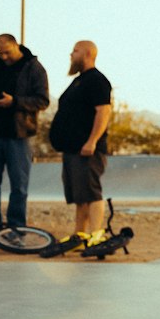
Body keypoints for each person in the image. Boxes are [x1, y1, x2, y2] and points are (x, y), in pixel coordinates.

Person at [0, 33, 50, 233]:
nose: (4, 57)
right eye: (0, 53)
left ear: (16, 46)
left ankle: (16, 227)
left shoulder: (34, 68)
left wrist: (14, 102)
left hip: (19, 136)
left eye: (7, 52)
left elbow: (42, 100)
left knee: (19, 185)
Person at [41, 40, 113, 255]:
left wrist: (92, 141)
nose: (71, 54)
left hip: (87, 149)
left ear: (88, 53)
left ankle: (96, 234)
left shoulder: (97, 80)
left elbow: (103, 112)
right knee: (79, 195)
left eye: (75, 51)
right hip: (72, 149)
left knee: (91, 192)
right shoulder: (79, 81)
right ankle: (79, 234)